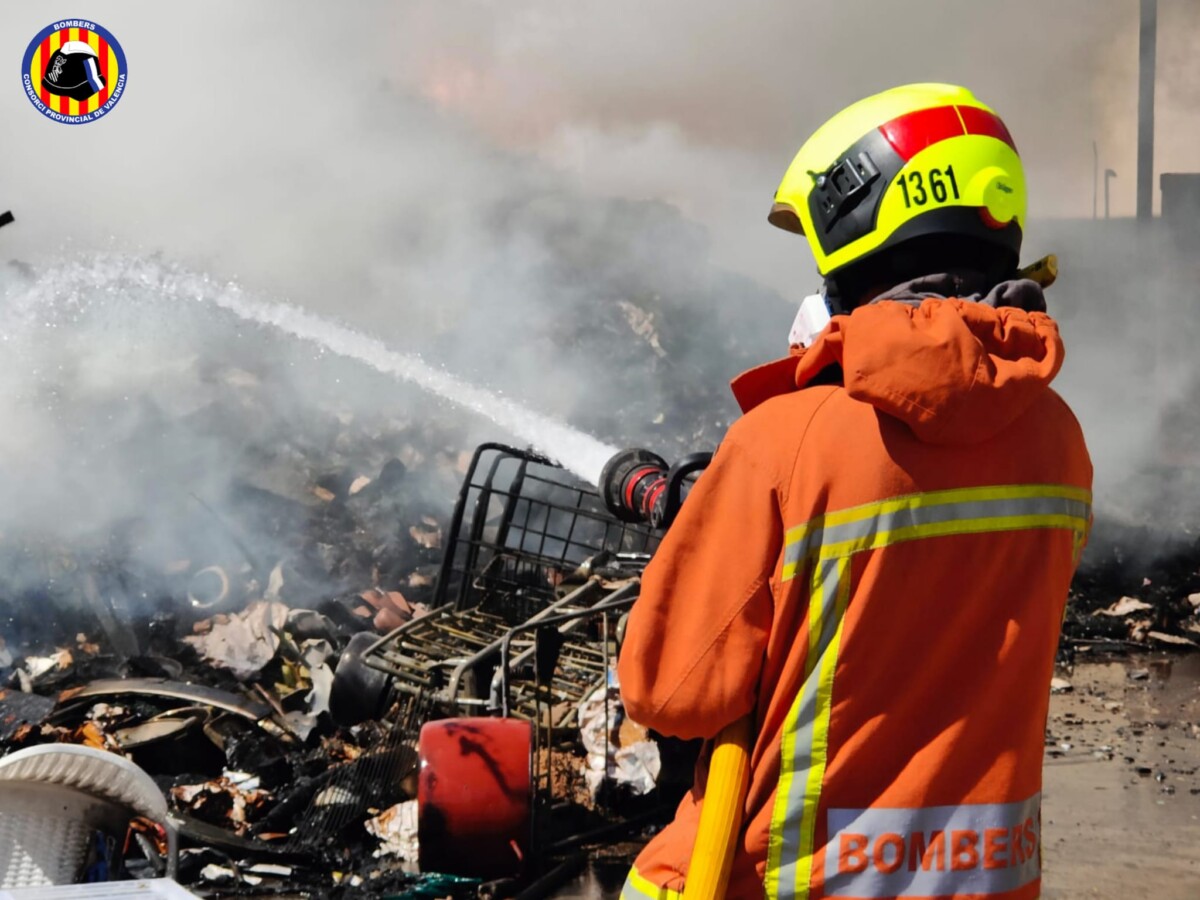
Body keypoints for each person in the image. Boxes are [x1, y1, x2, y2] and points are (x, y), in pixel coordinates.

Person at [617, 83, 1093, 900]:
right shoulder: (1058, 439)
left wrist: (712, 525)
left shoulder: (786, 440)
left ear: (860, 237)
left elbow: (670, 692)